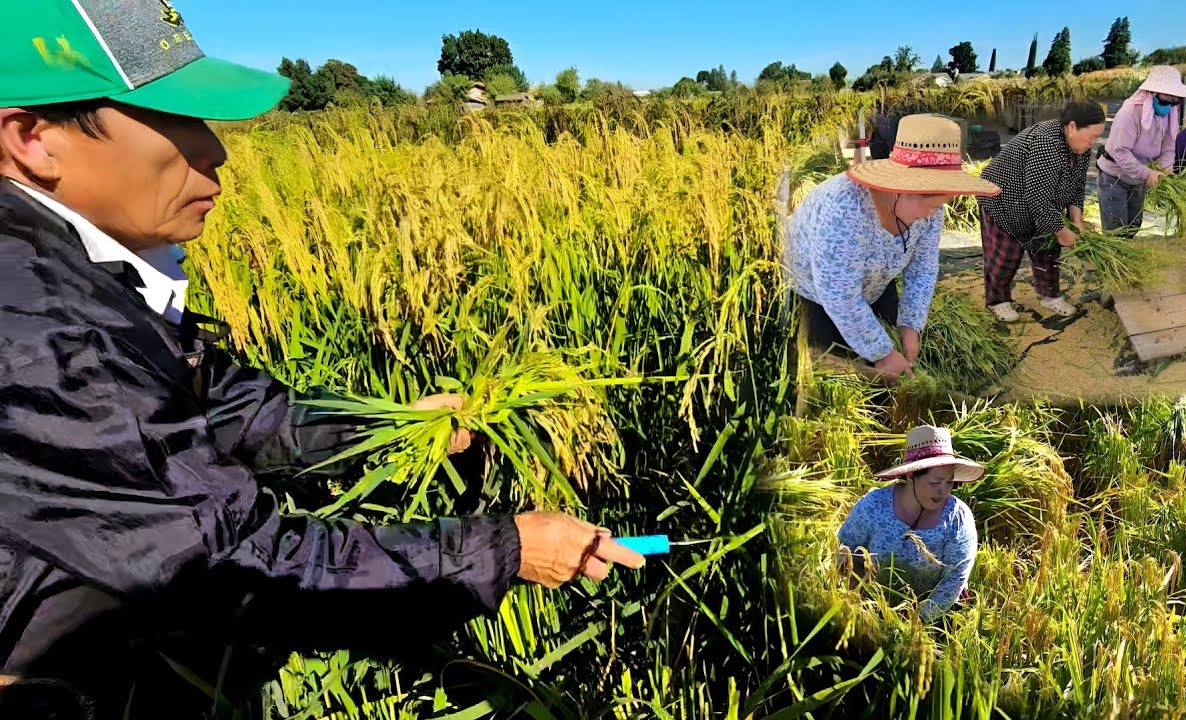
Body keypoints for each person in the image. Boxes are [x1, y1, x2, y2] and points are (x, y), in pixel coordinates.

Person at [0, 2, 644, 717]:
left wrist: (398, 426)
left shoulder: (77, 273)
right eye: (177, 120)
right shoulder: (35, 333)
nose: (217, 151)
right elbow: (235, 567)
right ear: (33, 138)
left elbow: (224, 406)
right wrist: (506, 550)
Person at [784, 114, 1000, 383]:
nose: (935, 213)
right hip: (815, 293)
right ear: (901, 189)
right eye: (933, 205)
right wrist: (881, 353)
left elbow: (923, 268)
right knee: (836, 373)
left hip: (875, 281)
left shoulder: (930, 212)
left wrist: (911, 325)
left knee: (891, 357)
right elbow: (839, 296)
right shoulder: (843, 209)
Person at [835, 425, 984, 623]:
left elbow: (955, 578)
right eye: (935, 482)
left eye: (949, 482)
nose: (943, 491)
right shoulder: (874, 507)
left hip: (930, 618)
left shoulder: (957, 518)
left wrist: (916, 623)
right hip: (868, 610)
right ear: (911, 475)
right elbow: (842, 550)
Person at [977, 101, 1107, 322]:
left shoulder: (1081, 148)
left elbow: (1077, 186)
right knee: (1006, 254)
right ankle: (997, 301)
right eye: (1092, 136)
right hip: (1003, 199)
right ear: (1073, 127)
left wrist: (1076, 219)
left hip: (1039, 203)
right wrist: (1064, 233)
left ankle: (1049, 295)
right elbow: (1038, 201)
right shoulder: (1046, 143)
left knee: (1048, 249)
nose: (1094, 142)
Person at [1096, 66, 1186, 236]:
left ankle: (1126, 256)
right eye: (1167, 96)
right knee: (1116, 229)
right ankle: (1113, 261)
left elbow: (1168, 147)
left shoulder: (1170, 114)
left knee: (1134, 225)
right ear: (1152, 92)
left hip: (1139, 177)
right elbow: (1120, 152)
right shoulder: (1130, 113)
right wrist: (1147, 174)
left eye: (1175, 98)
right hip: (1115, 176)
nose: (1171, 102)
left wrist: (1164, 170)